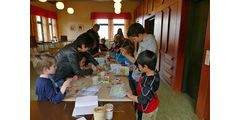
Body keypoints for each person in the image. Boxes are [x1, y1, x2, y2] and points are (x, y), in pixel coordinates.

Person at [120, 23, 157, 95]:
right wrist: (125, 55)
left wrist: (136, 68)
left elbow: (146, 65)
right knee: (137, 94)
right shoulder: (143, 41)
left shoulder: (149, 42)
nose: (134, 41)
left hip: (142, 77)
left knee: (140, 97)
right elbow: (138, 61)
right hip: (138, 75)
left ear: (139, 34)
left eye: (134, 38)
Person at [126, 50, 160, 120]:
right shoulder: (152, 70)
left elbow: (141, 100)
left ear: (145, 67)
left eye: (139, 65)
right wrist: (125, 54)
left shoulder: (149, 83)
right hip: (153, 102)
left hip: (147, 109)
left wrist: (130, 95)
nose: (138, 66)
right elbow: (135, 62)